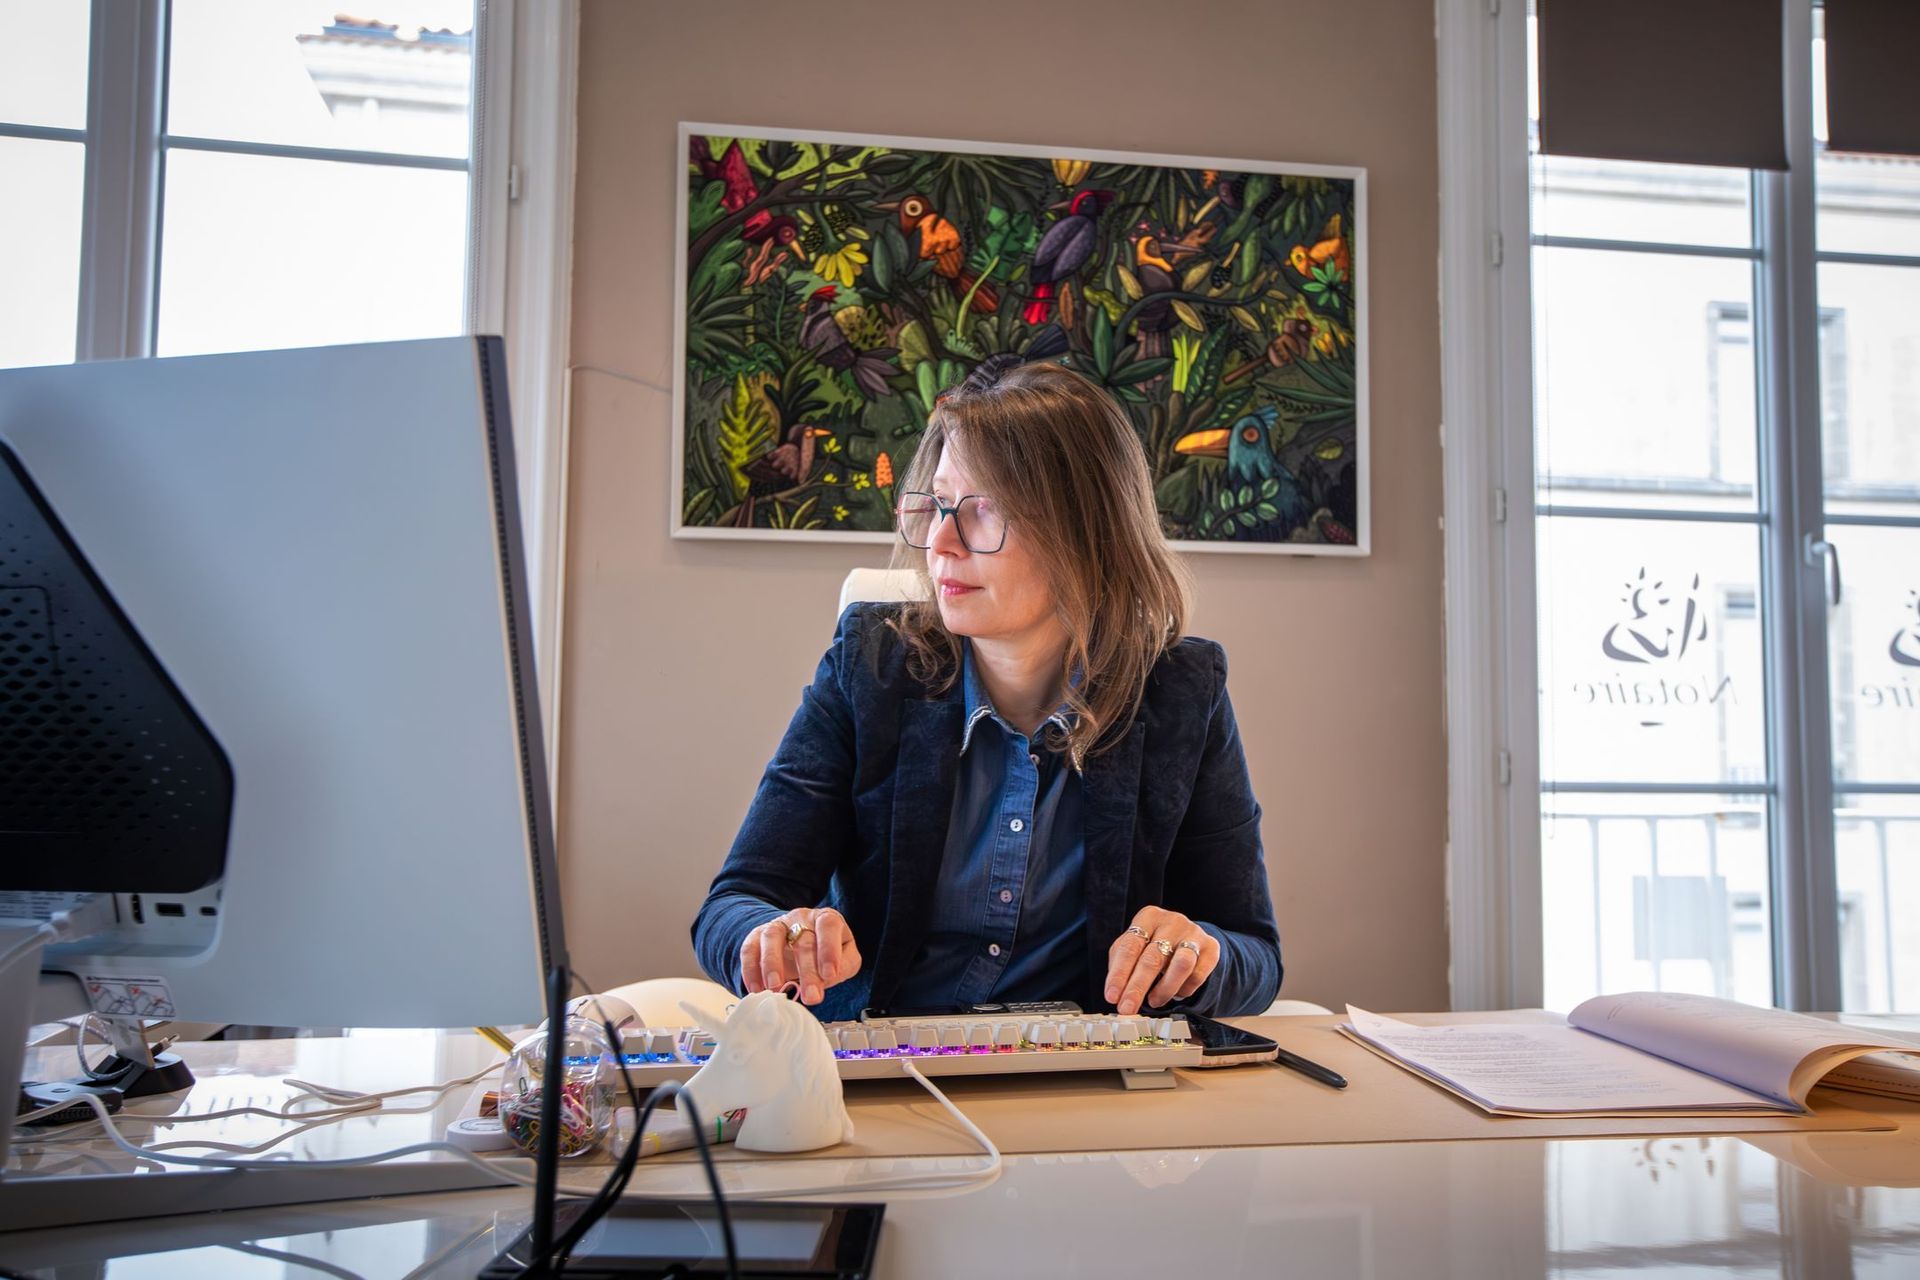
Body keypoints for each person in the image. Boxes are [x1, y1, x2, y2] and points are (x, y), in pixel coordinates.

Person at [691, 356, 1282, 1022]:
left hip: (1082, 1072)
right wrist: (770, 937)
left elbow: (1254, 954)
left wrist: (1198, 958)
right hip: (885, 1063)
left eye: (983, 510)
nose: (940, 542)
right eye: (939, 505)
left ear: (1087, 533)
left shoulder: (1182, 691)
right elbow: (733, 904)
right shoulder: (872, 664)